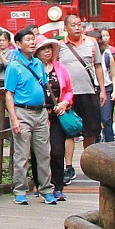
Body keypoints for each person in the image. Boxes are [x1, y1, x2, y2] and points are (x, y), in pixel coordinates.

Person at [4, 29, 59, 204]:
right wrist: (13, 118)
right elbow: (9, 94)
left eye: (33, 39)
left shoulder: (38, 64)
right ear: (18, 44)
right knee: (22, 154)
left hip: (40, 112)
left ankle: (46, 189)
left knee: (44, 153)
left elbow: (43, 87)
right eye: (28, 40)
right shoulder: (14, 66)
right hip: (22, 112)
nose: (32, 42)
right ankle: (20, 190)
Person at [58, 14, 105, 180]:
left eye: (79, 24)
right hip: (68, 95)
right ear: (65, 28)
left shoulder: (91, 43)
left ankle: (89, 164)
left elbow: (98, 66)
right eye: (73, 25)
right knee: (69, 131)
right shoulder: (60, 46)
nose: (77, 27)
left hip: (89, 91)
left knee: (91, 131)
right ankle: (69, 166)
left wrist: (103, 89)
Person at [36, 25, 77, 192]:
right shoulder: (33, 69)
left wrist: (65, 103)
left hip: (58, 113)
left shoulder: (60, 68)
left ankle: (58, 186)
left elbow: (69, 90)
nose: (47, 52)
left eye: (49, 49)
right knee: (40, 152)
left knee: (57, 150)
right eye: (43, 49)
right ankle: (41, 184)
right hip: (39, 114)